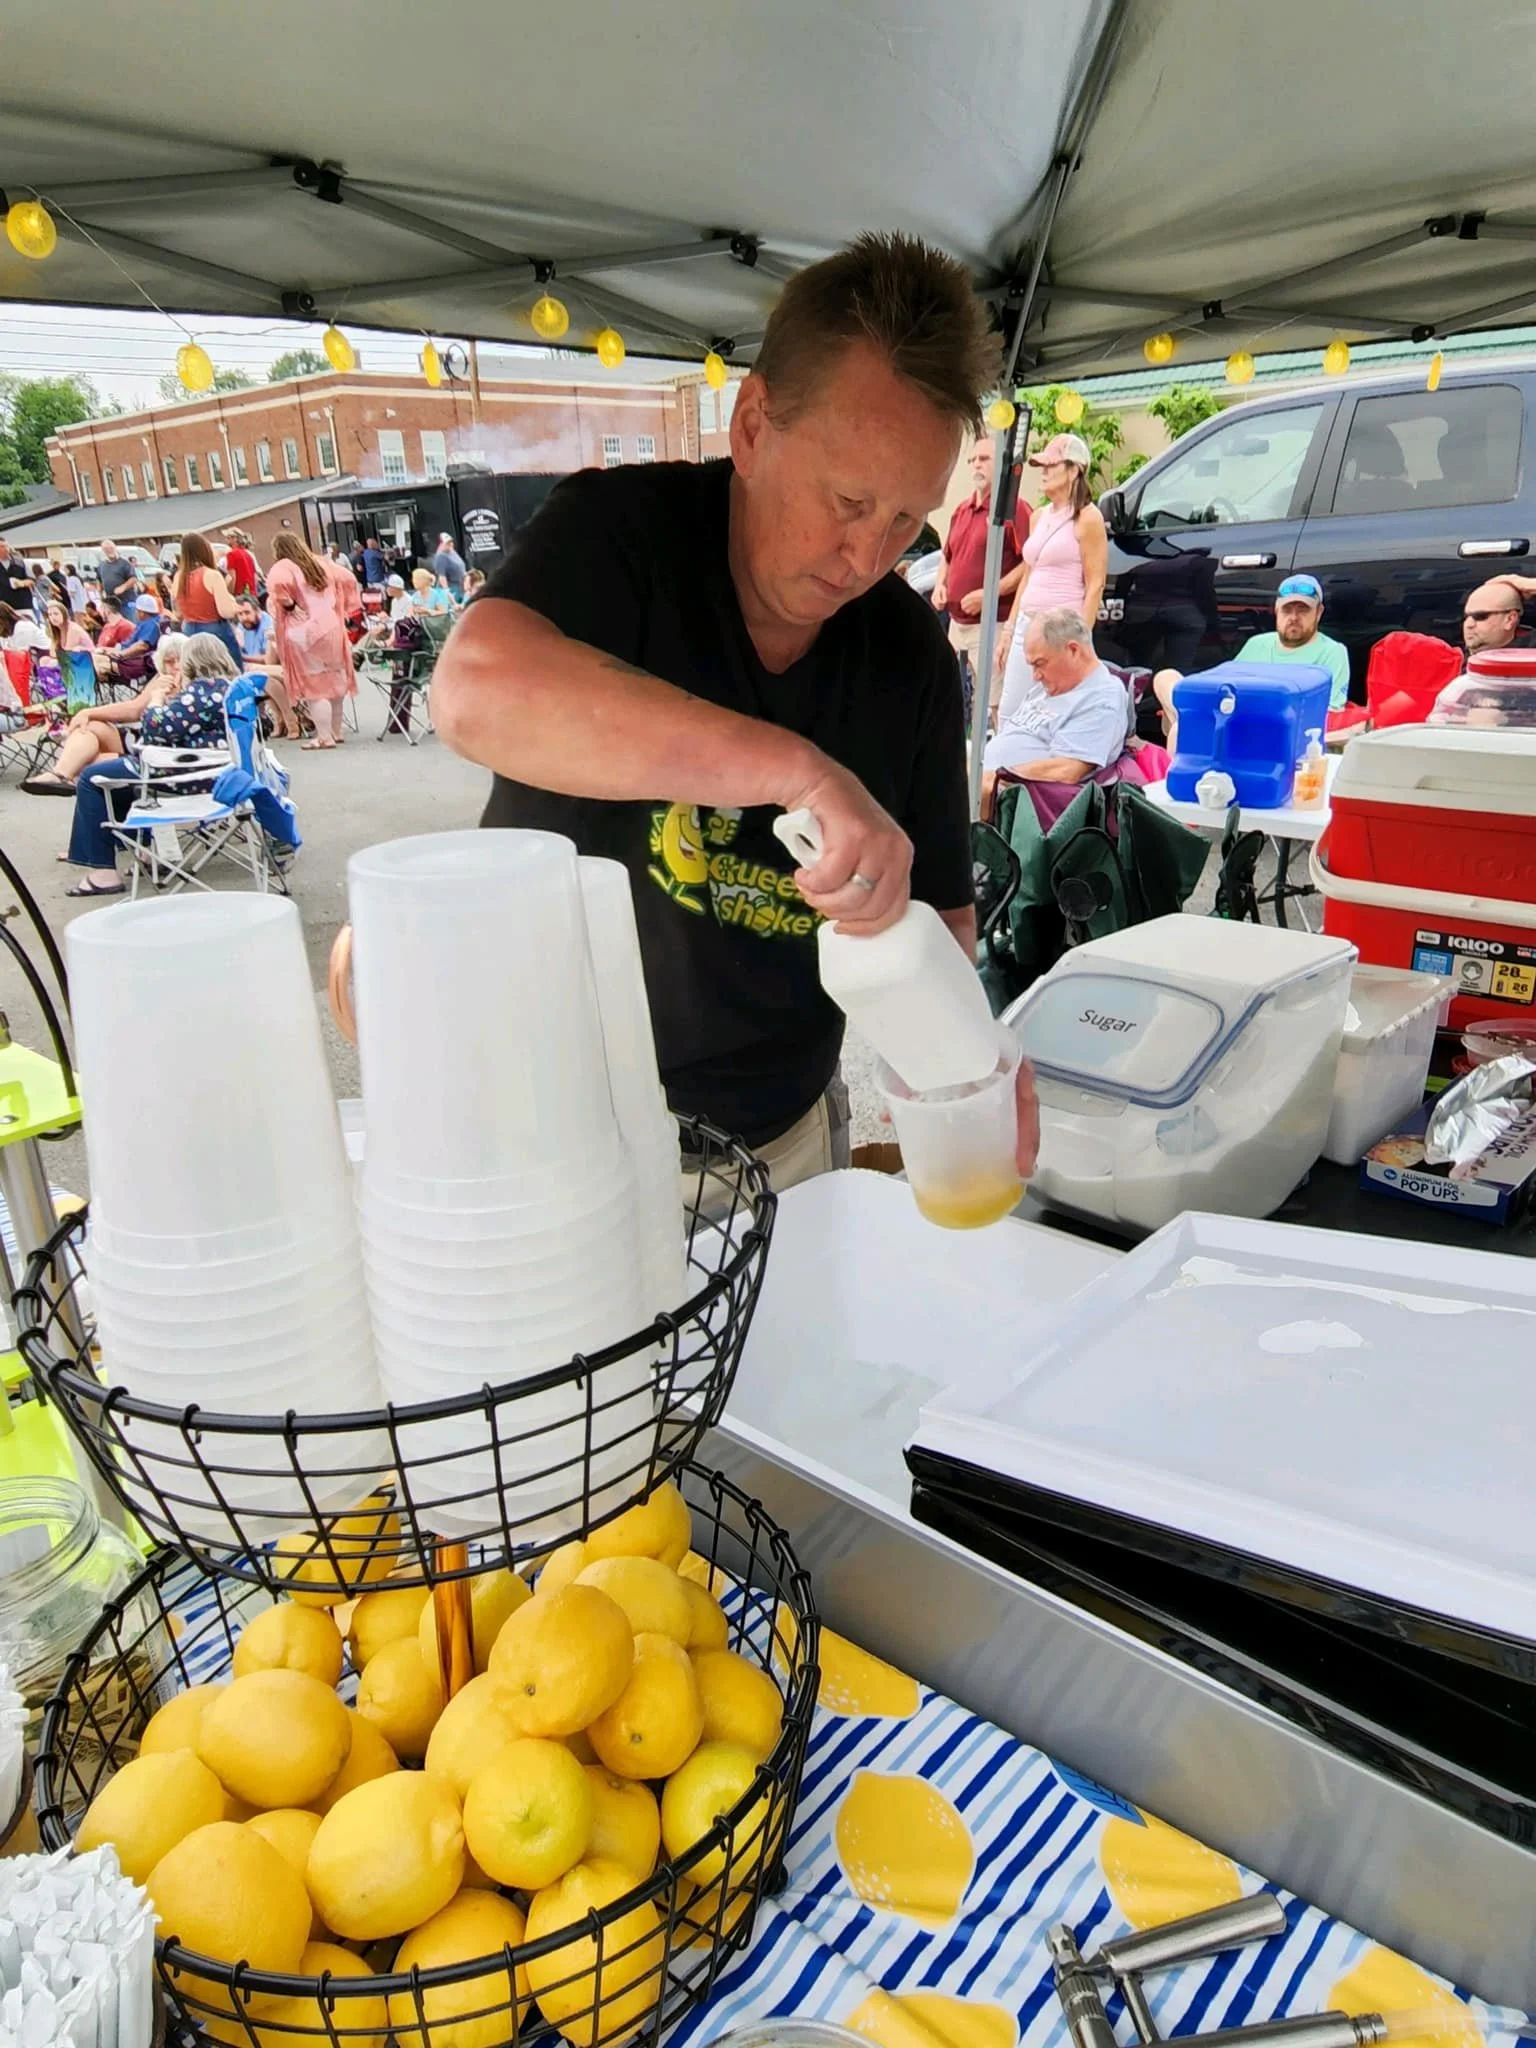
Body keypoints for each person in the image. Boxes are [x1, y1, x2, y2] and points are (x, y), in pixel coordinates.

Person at [431, 228, 1040, 1190]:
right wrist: (799, 772)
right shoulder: (619, 536)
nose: (866, 555)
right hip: (553, 1133)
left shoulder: (906, 652)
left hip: (781, 1136)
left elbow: (941, 918)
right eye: (846, 500)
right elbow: (472, 691)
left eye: (903, 520)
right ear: (752, 425)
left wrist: (969, 1055)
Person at [56, 634, 238, 897]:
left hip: (186, 778)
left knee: (91, 778)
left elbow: (153, 729)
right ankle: (146, 853)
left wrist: (157, 699)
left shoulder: (198, 693)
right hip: (220, 772)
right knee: (116, 779)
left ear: (192, 661)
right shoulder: (233, 689)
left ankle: (102, 873)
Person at [1151, 572, 1352, 744]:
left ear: (1319, 613)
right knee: (1165, 677)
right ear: (1276, 611)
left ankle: (1190, 726)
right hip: (1232, 716)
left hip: (1277, 730)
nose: (1294, 617)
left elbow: (1330, 715)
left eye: (1303, 610)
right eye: (1287, 610)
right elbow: (1225, 682)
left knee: (1180, 732)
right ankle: (1189, 722)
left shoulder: (1332, 652)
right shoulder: (1258, 643)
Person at [994, 432, 1109, 713]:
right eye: (1042, 467)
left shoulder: (1088, 517)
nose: (1043, 473)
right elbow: (1029, 574)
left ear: (1074, 470)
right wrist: (1009, 629)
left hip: (1061, 629)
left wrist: (1080, 640)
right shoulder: (1039, 516)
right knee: (1011, 710)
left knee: (1052, 710)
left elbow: (1096, 584)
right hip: (1028, 622)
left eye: (1051, 466)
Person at [982, 607, 1131, 810]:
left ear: (1073, 650)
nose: (1035, 675)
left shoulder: (1102, 697)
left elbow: (1067, 769)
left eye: (1040, 664)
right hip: (986, 782)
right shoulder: (1050, 686)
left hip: (1013, 803)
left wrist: (998, 775)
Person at [23, 632, 188, 796]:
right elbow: (134, 708)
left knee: (87, 767)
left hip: (161, 753)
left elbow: (144, 716)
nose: (176, 666)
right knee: (89, 724)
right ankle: (60, 774)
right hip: (138, 741)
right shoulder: (162, 680)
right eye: (169, 662)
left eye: (179, 660)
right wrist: (87, 713)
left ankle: (68, 777)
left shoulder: (193, 688)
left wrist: (159, 699)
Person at [932, 437, 1030, 712]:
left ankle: (997, 755)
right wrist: (941, 584)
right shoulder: (962, 510)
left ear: (1000, 464)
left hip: (992, 623)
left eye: (984, 459)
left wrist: (990, 593)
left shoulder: (1014, 509)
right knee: (955, 700)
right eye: (973, 460)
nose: (977, 465)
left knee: (996, 705)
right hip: (957, 624)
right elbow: (946, 556)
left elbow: (1030, 564)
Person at [267, 531, 359, 750]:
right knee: (335, 682)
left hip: (303, 631)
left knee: (315, 688)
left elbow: (277, 587)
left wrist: (290, 606)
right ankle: (336, 732)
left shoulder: (283, 567)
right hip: (332, 627)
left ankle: (324, 736)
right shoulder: (321, 563)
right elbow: (349, 578)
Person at [171, 532, 243, 664]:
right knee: (231, 670)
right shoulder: (212, 575)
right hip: (214, 630)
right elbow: (225, 612)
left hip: (189, 630)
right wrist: (235, 607)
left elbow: (178, 612)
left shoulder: (178, 577)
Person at [95, 541, 140, 614]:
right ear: (103, 551)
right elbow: (99, 580)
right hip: (112, 604)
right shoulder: (101, 565)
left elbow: (133, 579)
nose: (109, 550)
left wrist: (123, 587)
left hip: (127, 602)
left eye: (111, 548)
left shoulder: (125, 563)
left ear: (115, 547)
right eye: (106, 549)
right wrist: (100, 595)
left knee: (130, 624)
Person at [223, 529, 260, 601]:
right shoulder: (247, 554)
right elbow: (255, 576)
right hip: (252, 593)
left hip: (240, 595)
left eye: (228, 537)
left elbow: (232, 577)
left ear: (235, 538)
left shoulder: (231, 554)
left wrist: (229, 595)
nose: (226, 540)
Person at [431, 532, 467, 601]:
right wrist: (447, 592)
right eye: (447, 543)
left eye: (451, 542)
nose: (450, 544)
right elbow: (442, 577)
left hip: (460, 586)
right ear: (441, 544)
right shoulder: (441, 557)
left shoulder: (452, 551)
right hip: (452, 588)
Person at [0, 539, 32, 613]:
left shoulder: (19, 562)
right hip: (4, 608)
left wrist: (22, 583)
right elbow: (11, 582)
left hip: (23, 605)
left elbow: (30, 580)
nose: (6, 549)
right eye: (2, 546)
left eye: (6, 546)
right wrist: (18, 583)